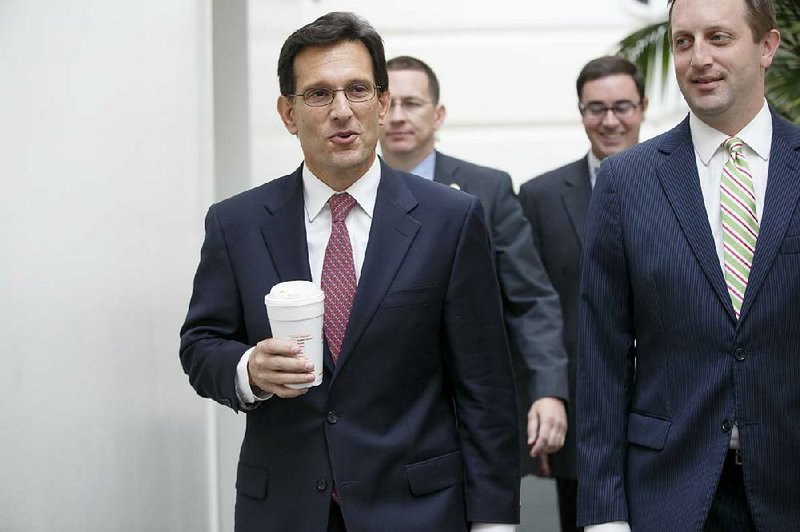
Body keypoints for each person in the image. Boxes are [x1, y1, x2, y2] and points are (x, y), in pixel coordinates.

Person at [179, 12, 520, 532]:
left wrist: (495, 522)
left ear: (381, 105)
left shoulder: (450, 220)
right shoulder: (237, 223)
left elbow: (486, 387)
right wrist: (247, 368)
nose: (342, 111)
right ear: (288, 113)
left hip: (418, 510)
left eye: (358, 90)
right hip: (285, 509)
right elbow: (200, 343)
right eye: (318, 94)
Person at [576, 0, 799, 530]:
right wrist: (606, 517)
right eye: (682, 41)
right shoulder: (625, 182)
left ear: (767, 46)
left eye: (718, 38)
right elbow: (601, 359)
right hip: (669, 496)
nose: (698, 58)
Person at [379, 55, 569, 478]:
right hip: (382, 423)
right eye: (387, 103)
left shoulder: (488, 189)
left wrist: (549, 391)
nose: (397, 117)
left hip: (473, 412)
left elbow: (531, 297)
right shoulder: (352, 195)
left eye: (411, 103)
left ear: (438, 114)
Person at [517, 56, 648, 532]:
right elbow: (530, 308)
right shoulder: (538, 196)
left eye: (621, 107)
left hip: (672, 408)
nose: (609, 121)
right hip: (577, 417)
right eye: (595, 108)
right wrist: (544, 400)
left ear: (643, 107)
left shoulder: (682, 184)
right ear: (580, 111)